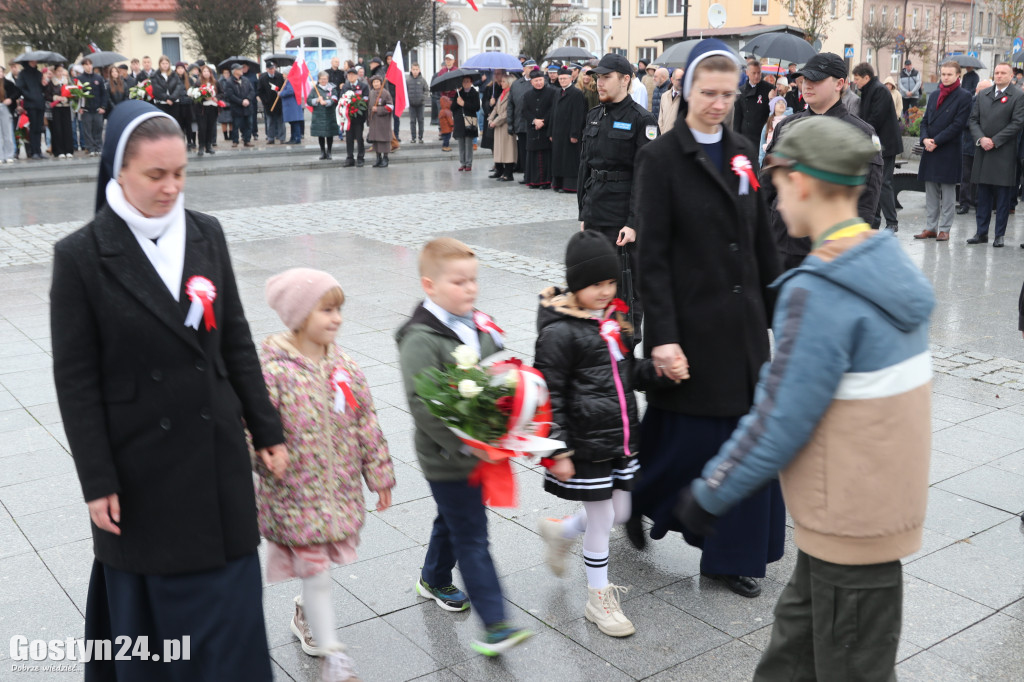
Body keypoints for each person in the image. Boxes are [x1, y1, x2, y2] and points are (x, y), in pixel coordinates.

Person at [677, 114, 934, 682]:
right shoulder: (882, 260)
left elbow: (779, 419)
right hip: (862, 513)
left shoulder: (820, 291)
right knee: (788, 663)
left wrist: (711, 491)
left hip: (849, 524)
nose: (773, 197)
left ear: (802, 183)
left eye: (778, 183)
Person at [51, 99, 288, 682]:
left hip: (215, 461)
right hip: (140, 472)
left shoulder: (206, 233)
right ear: (120, 170)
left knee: (232, 628)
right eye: (155, 174)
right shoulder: (81, 256)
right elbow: (76, 382)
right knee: (160, 643)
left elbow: (236, 340)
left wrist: (267, 429)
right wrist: (97, 480)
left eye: (180, 172)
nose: (171, 187)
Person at [633, 39, 785, 599]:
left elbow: (760, 238)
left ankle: (730, 557)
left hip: (743, 330)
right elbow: (651, 257)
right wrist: (662, 338)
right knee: (685, 443)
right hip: (692, 328)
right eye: (708, 93)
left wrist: (782, 313)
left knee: (746, 437)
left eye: (727, 94)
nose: (718, 104)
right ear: (686, 90)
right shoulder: (661, 158)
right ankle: (634, 500)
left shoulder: (742, 149)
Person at [395, 237, 534, 656]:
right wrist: (465, 445)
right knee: (473, 536)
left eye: (473, 280)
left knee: (455, 518)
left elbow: (500, 374)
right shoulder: (420, 338)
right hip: (447, 457)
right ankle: (496, 625)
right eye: (459, 282)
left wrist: (515, 417)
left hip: (480, 449)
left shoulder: (478, 323)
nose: (470, 288)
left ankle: (433, 577)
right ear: (430, 285)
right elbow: (423, 404)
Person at [258, 268, 394, 682]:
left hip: (338, 491)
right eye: (327, 310)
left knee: (319, 568)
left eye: (339, 309)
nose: (337, 318)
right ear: (299, 316)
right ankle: (335, 661)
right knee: (317, 572)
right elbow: (253, 428)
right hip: (295, 494)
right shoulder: (273, 372)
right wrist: (264, 456)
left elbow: (365, 423)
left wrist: (379, 475)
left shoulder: (346, 366)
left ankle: (305, 612)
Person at [535, 231, 645, 638]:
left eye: (611, 282)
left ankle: (561, 531)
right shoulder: (559, 332)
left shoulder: (612, 320)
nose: (605, 291)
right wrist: (557, 449)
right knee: (601, 519)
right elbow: (548, 395)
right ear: (576, 284)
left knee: (622, 513)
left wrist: (654, 372)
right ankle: (598, 598)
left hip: (617, 438)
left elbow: (625, 374)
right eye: (595, 283)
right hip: (584, 445)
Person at [761, 53, 883, 270]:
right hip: (780, 247)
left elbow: (866, 203)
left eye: (816, 79)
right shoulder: (787, 126)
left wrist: (847, 253)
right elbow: (767, 186)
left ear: (839, 84)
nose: (807, 85)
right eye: (805, 79)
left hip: (828, 255)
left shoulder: (860, 133)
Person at [578, 53, 659, 339]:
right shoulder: (594, 115)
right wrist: (583, 213)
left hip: (622, 219)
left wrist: (634, 223)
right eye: (597, 77)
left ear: (625, 79)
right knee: (594, 283)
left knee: (624, 289)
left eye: (606, 77)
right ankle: (599, 346)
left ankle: (625, 349)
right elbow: (585, 166)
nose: (599, 83)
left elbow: (648, 177)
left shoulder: (642, 120)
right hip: (595, 212)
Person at [914, 61, 973, 242]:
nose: (945, 77)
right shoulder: (934, 94)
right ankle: (931, 227)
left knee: (948, 192)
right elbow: (925, 121)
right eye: (943, 74)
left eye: (949, 74)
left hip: (948, 149)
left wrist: (936, 141)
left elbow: (958, 125)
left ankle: (945, 229)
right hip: (930, 148)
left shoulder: (964, 96)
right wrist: (925, 139)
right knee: (931, 191)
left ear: (958, 76)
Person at [967, 63, 1024, 248]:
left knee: (1002, 197)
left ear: (1011, 75)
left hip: (1003, 152)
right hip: (983, 151)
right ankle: (981, 232)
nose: (999, 76)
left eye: (1003, 73)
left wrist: (995, 140)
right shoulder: (983, 94)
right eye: (997, 72)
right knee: (982, 195)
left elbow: (1017, 123)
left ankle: (999, 235)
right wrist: (981, 138)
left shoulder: (1018, 96)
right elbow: (973, 120)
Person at [851, 63, 903, 232]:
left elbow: (875, 118)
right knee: (875, 182)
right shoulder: (869, 90)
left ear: (866, 77)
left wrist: (861, 133)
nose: (855, 82)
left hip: (885, 145)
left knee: (883, 182)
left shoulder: (879, 90)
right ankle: (874, 222)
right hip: (876, 144)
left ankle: (892, 222)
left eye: (857, 79)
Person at [550, 66, 587, 193]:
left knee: (569, 160)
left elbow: (578, 115)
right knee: (558, 159)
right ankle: (558, 183)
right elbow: (553, 113)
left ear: (571, 79)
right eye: (560, 79)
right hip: (557, 132)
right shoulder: (557, 92)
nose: (562, 81)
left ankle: (569, 185)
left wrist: (575, 134)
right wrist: (551, 132)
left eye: (565, 78)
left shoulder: (577, 93)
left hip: (569, 133)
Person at [958, 79, 992, 215]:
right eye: (982, 89)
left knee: (982, 177)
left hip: (985, 146)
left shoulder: (993, 103)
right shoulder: (969, 102)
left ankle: (979, 203)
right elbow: (964, 121)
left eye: (987, 89)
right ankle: (964, 203)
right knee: (966, 177)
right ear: (977, 90)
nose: (984, 92)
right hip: (968, 145)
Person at [522, 70, 556, 187]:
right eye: (536, 81)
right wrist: (534, 120)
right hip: (533, 129)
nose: (539, 83)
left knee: (546, 156)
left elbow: (552, 109)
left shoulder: (552, 92)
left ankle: (546, 181)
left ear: (544, 80)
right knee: (533, 157)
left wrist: (543, 121)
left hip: (546, 129)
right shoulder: (527, 95)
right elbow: (525, 111)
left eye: (540, 80)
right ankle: (534, 181)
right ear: (531, 82)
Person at [734, 58, 773, 158]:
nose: (756, 76)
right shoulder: (741, 90)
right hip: (745, 135)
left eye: (759, 73)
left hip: (762, 135)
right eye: (754, 73)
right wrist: (735, 138)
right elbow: (737, 117)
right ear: (747, 73)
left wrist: (773, 100)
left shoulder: (769, 89)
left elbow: (773, 113)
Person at [487, 73, 517, 181]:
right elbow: (496, 108)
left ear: (509, 83)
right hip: (498, 126)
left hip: (506, 125)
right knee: (499, 149)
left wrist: (495, 122)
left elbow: (507, 113)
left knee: (508, 150)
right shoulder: (502, 93)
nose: (501, 83)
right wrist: (490, 119)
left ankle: (508, 173)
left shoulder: (511, 94)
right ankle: (500, 171)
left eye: (504, 81)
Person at [15, 60, 45, 159]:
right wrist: (30, 95)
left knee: (39, 128)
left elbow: (42, 88)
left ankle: (39, 150)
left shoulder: (39, 73)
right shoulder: (23, 74)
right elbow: (20, 88)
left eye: (35, 61)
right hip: (30, 104)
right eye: (32, 61)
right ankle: (33, 151)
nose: (34, 63)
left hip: (40, 103)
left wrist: (44, 84)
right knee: (33, 127)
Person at [78, 57, 108, 156]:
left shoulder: (98, 78)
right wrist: (79, 107)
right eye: (86, 64)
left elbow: (104, 94)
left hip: (98, 109)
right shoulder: (80, 79)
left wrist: (103, 107)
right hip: (86, 110)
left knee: (98, 128)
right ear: (83, 66)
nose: (89, 66)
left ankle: (98, 147)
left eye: (90, 64)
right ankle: (90, 148)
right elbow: (77, 95)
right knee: (87, 130)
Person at [44, 65, 74, 159]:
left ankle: (68, 150)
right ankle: (59, 151)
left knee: (67, 128)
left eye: (61, 71)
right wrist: (56, 98)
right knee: (57, 129)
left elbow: (73, 92)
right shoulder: (51, 82)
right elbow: (47, 95)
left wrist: (68, 98)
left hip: (66, 107)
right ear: (55, 72)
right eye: (58, 71)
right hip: (56, 108)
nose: (60, 73)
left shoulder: (67, 81)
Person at [340, 68, 369, 166]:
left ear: (357, 76)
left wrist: (357, 104)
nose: (351, 76)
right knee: (349, 138)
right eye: (349, 75)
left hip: (359, 117)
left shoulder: (363, 86)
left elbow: (366, 98)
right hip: (348, 117)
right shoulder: (345, 87)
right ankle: (350, 158)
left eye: (353, 75)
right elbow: (341, 99)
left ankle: (360, 157)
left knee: (359, 137)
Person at [308, 71, 339, 161]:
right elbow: (308, 100)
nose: (323, 81)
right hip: (318, 115)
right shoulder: (315, 89)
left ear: (328, 79)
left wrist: (327, 102)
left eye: (325, 79)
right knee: (320, 134)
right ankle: (322, 152)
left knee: (330, 134)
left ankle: (329, 152)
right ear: (318, 80)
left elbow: (335, 98)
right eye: (321, 79)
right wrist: (317, 100)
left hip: (330, 115)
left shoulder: (332, 89)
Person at [150, 56, 185, 134]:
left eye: (166, 63)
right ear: (159, 64)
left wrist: (172, 98)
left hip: (174, 103)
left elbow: (178, 86)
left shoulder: (174, 74)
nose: (165, 65)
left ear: (169, 64)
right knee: (162, 126)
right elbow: (156, 90)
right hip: (161, 104)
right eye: (163, 63)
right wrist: (166, 98)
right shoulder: (155, 75)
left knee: (174, 124)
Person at [509, 67, 534, 175]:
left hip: (534, 124)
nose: (531, 69)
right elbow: (510, 105)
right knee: (523, 150)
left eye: (533, 67)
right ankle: (526, 173)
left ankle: (532, 174)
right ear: (524, 69)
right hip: (520, 122)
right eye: (529, 67)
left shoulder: (540, 81)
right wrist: (510, 124)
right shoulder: (516, 84)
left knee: (532, 151)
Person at [452, 75, 480, 171]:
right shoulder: (459, 93)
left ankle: (468, 163)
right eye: (464, 81)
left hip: (469, 121)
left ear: (471, 82)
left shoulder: (474, 93)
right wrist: (457, 102)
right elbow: (452, 108)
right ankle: (462, 163)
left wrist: (464, 104)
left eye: (467, 81)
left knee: (468, 143)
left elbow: (476, 107)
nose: (465, 83)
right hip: (460, 121)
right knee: (461, 143)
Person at [224, 63, 255, 148]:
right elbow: (230, 95)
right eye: (239, 69)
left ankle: (247, 140)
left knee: (249, 124)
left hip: (247, 106)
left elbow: (252, 91)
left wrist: (248, 99)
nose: (242, 70)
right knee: (236, 125)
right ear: (234, 71)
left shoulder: (246, 80)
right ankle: (235, 141)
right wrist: (241, 102)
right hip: (236, 107)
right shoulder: (229, 82)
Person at [367, 73, 394, 168]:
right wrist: (368, 120)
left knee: (384, 140)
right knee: (376, 141)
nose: (376, 84)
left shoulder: (385, 93)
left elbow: (390, 107)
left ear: (381, 83)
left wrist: (379, 109)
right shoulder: (371, 93)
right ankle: (378, 157)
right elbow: (369, 107)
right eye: (374, 82)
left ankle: (385, 158)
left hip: (383, 122)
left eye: (377, 82)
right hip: (374, 121)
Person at [257, 61, 286, 144]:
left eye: (273, 68)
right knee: (270, 122)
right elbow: (260, 91)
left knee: (281, 122)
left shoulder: (279, 76)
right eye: (270, 69)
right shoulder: (263, 78)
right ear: (267, 69)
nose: (272, 70)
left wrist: (280, 92)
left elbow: (283, 87)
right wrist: (264, 101)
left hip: (279, 102)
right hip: (268, 104)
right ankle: (270, 137)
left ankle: (282, 138)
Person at [759, 95, 789, 165]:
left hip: (785, 159)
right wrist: (761, 162)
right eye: (778, 102)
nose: (781, 104)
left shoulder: (790, 121)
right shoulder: (768, 124)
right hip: (770, 159)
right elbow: (762, 144)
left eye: (783, 102)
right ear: (773, 107)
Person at [174, 62, 196, 151]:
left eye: (182, 68)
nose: (180, 70)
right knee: (180, 125)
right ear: (176, 70)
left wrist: (189, 99)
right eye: (178, 68)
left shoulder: (189, 79)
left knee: (188, 125)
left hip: (188, 106)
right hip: (178, 105)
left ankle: (190, 142)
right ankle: (181, 143)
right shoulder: (173, 79)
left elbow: (193, 91)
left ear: (184, 69)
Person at [406, 63, 429, 143]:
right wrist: (408, 100)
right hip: (411, 104)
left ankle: (420, 137)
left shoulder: (422, 80)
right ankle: (413, 137)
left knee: (421, 120)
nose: (415, 71)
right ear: (411, 70)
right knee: (412, 121)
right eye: (413, 69)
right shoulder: (408, 80)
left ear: (419, 70)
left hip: (420, 104)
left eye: (416, 69)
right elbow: (405, 91)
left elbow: (426, 90)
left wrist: (423, 98)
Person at [0, 69, 19, 163]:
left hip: (5, 108)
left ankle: (9, 155)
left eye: (1, 72)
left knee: (7, 132)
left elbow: (16, 93)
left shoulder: (8, 83)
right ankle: (1, 156)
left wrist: (10, 99)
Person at [280, 76, 305, 146]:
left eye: (284, 74)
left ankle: (296, 138)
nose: (283, 75)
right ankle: (293, 138)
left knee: (295, 123)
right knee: (293, 123)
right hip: (292, 105)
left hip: (292, 105)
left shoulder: (291, 81)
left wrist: (281, 93)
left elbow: (290, 91)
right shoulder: (291, 81)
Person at [658, 67, 683, 134]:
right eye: (679, 80)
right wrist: (662, 133)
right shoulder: (664, 96)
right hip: (664, 136)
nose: (681, 82)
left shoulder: (686, 98)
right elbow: (660, 119)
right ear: (672, 80)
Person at [242, 63, 259, 141]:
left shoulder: (253, 75)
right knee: (243, 119)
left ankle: (254, 133)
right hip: (242, 100)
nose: (243, 68)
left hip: (252, 100)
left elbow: (256, 87)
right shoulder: (240, 76)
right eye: (242, 67)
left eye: (245, 67)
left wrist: (255, 95)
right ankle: (244, 134)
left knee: (253, 118)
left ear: (248, 67)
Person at [218, 67, 233, 142]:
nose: (226, 74)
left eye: (228, 73)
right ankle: (225, 136)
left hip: (231, 102)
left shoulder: (232, 80)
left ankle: (231, 135)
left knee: (231, 121)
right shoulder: (220, 81)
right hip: (222, 102)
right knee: (223, 121)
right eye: (225, 73)